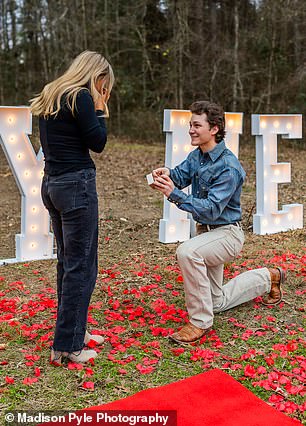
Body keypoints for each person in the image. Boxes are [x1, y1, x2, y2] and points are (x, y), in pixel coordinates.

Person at [152, 101, 285, 344]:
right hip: (206, 233)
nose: (191, 129)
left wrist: (174, 194)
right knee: (217, 301)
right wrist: (168, 174)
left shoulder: (228, 166)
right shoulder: (198, 155)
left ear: (213, 129)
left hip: (227, 235)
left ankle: (199, 322)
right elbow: (181, 176)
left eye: (196, 125)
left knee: (187, 252)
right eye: (190, 124)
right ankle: (270, 277)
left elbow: (212, 210)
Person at [30, 51, 114, 364]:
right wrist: (101, 109)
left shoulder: (53, 92)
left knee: (68, 263)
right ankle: (67, 347)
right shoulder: (80, 97)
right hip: (76, 185)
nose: (104, 90)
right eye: (104, 84)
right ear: (97, 77)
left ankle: (75, 332)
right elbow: (98, 142)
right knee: (82, 267)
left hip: (52, 184)